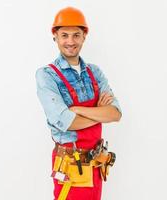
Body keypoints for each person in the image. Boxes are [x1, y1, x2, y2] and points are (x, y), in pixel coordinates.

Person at [35, 6, 122, 200]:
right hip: (69, 166)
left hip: (96, 163)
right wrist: (99, 111)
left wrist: (78, 110)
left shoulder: (95, 72)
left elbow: (115, 114)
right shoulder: (47, 76)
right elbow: (67, 121)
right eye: (64, 35)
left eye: (76, 35)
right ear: (55, 37)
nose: (70, 41)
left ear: (84, 37)